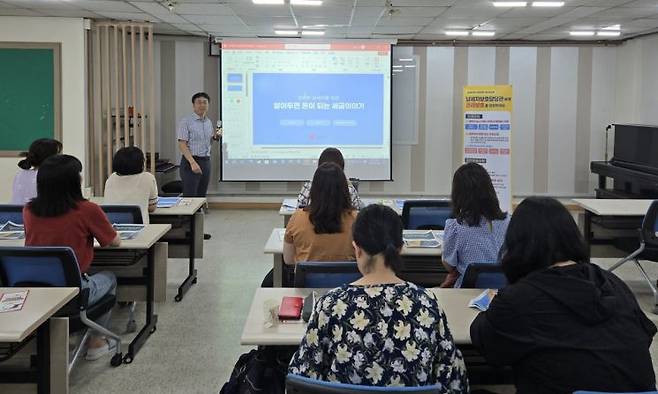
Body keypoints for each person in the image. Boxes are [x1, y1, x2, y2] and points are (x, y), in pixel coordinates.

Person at [470, 197, 657, 394]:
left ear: (516, 245)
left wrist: (496, 305)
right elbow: (644, 336)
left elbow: (485, 342)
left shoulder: (519, 299)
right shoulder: (613, 283)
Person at [289, 204, 468, 391]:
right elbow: (454, 381)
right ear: (400, 249)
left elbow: (301, 378)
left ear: (356, 249)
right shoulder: (427, 303)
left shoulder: (331, 304)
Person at [23, 154, 122, 361]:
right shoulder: (87, 210)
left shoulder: (29, 210)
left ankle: (63, 337)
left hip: (36, 291)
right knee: (110, 277)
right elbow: (114, 242)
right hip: (74, 292)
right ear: (73, 181)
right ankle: (96, 342)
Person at [441, 162, 509, 288]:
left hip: (466, 291)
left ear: (458, 194)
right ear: (490, 190)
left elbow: (449, 265)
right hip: (501, 289)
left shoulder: (455, 227)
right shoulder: (508, 222)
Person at [284, 162, 357, 265]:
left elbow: (288, 260)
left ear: (313, 189)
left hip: (307, 280)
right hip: (346, 281)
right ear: (344, 189)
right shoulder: (356, 219)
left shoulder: (297, 218)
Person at [177, 92, 221, 198]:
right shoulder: (186, 121)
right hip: (190, 162)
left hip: (205, 161)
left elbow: (208, 141)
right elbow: (182, 144)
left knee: (201, 195)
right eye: (199, 102)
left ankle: (198, 214)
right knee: (190, 196)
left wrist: (216, 137)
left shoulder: (208, 122)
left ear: (208, 105)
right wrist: (192, 162)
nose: (202, 105)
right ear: (193, 105)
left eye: (205, 102)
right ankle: (187, 215)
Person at [104, 146, 158, 224]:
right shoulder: (147, 178)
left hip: (111, 228)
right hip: (138, 229)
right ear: (141, 163)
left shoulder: (111, 178)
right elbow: (152, 208)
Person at [297, 147, 362, 209]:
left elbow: (299, 209)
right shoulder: (349, 188)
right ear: (342, 168)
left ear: (320, 166)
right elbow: (358, 211)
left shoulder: (308, 187)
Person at [11, 138, 62, 204]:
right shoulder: (51, 176)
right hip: (38, 213)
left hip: (16, 213)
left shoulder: (20, 174)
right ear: (49, 157)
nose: (61, 157)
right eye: (58, 154)